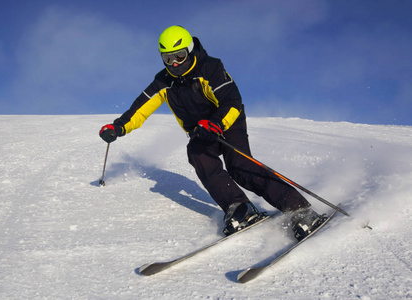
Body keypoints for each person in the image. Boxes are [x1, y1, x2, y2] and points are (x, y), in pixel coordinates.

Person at [99, 25, 325, 240]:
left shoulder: (210, 67)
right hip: (200, 130)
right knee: (197, 154)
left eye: (179, 56)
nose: (174, 64)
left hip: (227, 121)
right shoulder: (163, 81)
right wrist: (118, 127)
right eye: (167, 58)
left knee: (240, 166)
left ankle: (299, 209)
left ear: (189, 50)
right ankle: (240, 208)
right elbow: (141, 107)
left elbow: (232, 101)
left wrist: (216, 123)